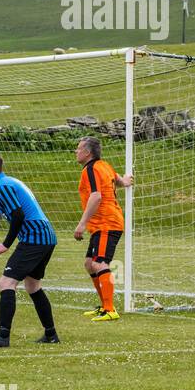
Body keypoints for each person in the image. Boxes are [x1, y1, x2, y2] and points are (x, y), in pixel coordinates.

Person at [0, 151, 59, 347]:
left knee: (6, 283)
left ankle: (2, 336)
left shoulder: (2, 186)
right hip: (45, 236)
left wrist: (5, 245)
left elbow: (18, 216)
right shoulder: (9, 181)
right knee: (32, 286)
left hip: (35, 237)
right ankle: (51, 334)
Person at [72, 136, 134, 322]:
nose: (76, 151)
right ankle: (105, 306)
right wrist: (125, 181)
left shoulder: (91, 169)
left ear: (87, 152)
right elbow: (116, 179)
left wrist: (82, 224)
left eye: (78, 148)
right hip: (102, 224)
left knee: (99, 263)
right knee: (89, 264)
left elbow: (96, 197)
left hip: (107, 223)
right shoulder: (104, 166)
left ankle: (110, 309)